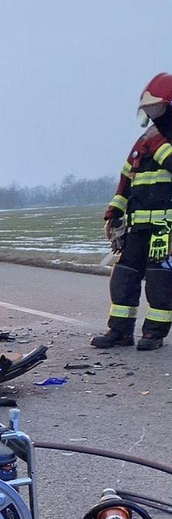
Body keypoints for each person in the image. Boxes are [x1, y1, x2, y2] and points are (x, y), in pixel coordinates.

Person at [91, 73, 172, 351]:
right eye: (148, 110)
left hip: (165, 229)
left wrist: (158, 146)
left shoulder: (157, 141)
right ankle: (120, 332)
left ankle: (154, 333)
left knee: (161, 280)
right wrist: (113, 214)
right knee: (124, 276)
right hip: (136, 227)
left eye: (155, 108)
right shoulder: (143, 141)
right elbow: (126, 180)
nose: (151, 115)